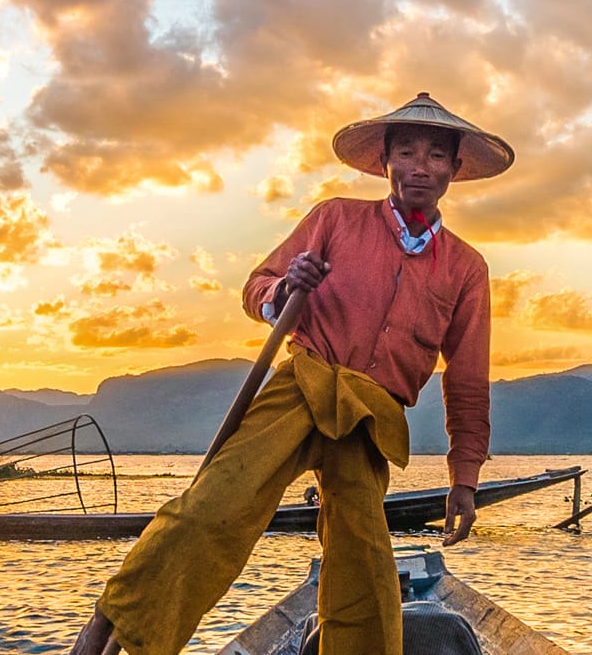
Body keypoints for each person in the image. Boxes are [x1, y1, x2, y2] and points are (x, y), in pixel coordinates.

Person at [72, 93, 513, 655]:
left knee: (366, 571)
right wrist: (283, 291)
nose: (419, 167)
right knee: (211, 511)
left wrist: (465, 476)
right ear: (385, 163)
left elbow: (468, 382)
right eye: (405, 152)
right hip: (300, 384)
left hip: (369, 419)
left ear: (454, 169)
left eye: (434, 156)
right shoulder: (335, 218)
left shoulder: (466, 267)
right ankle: (113, 626)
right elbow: (257, 286)